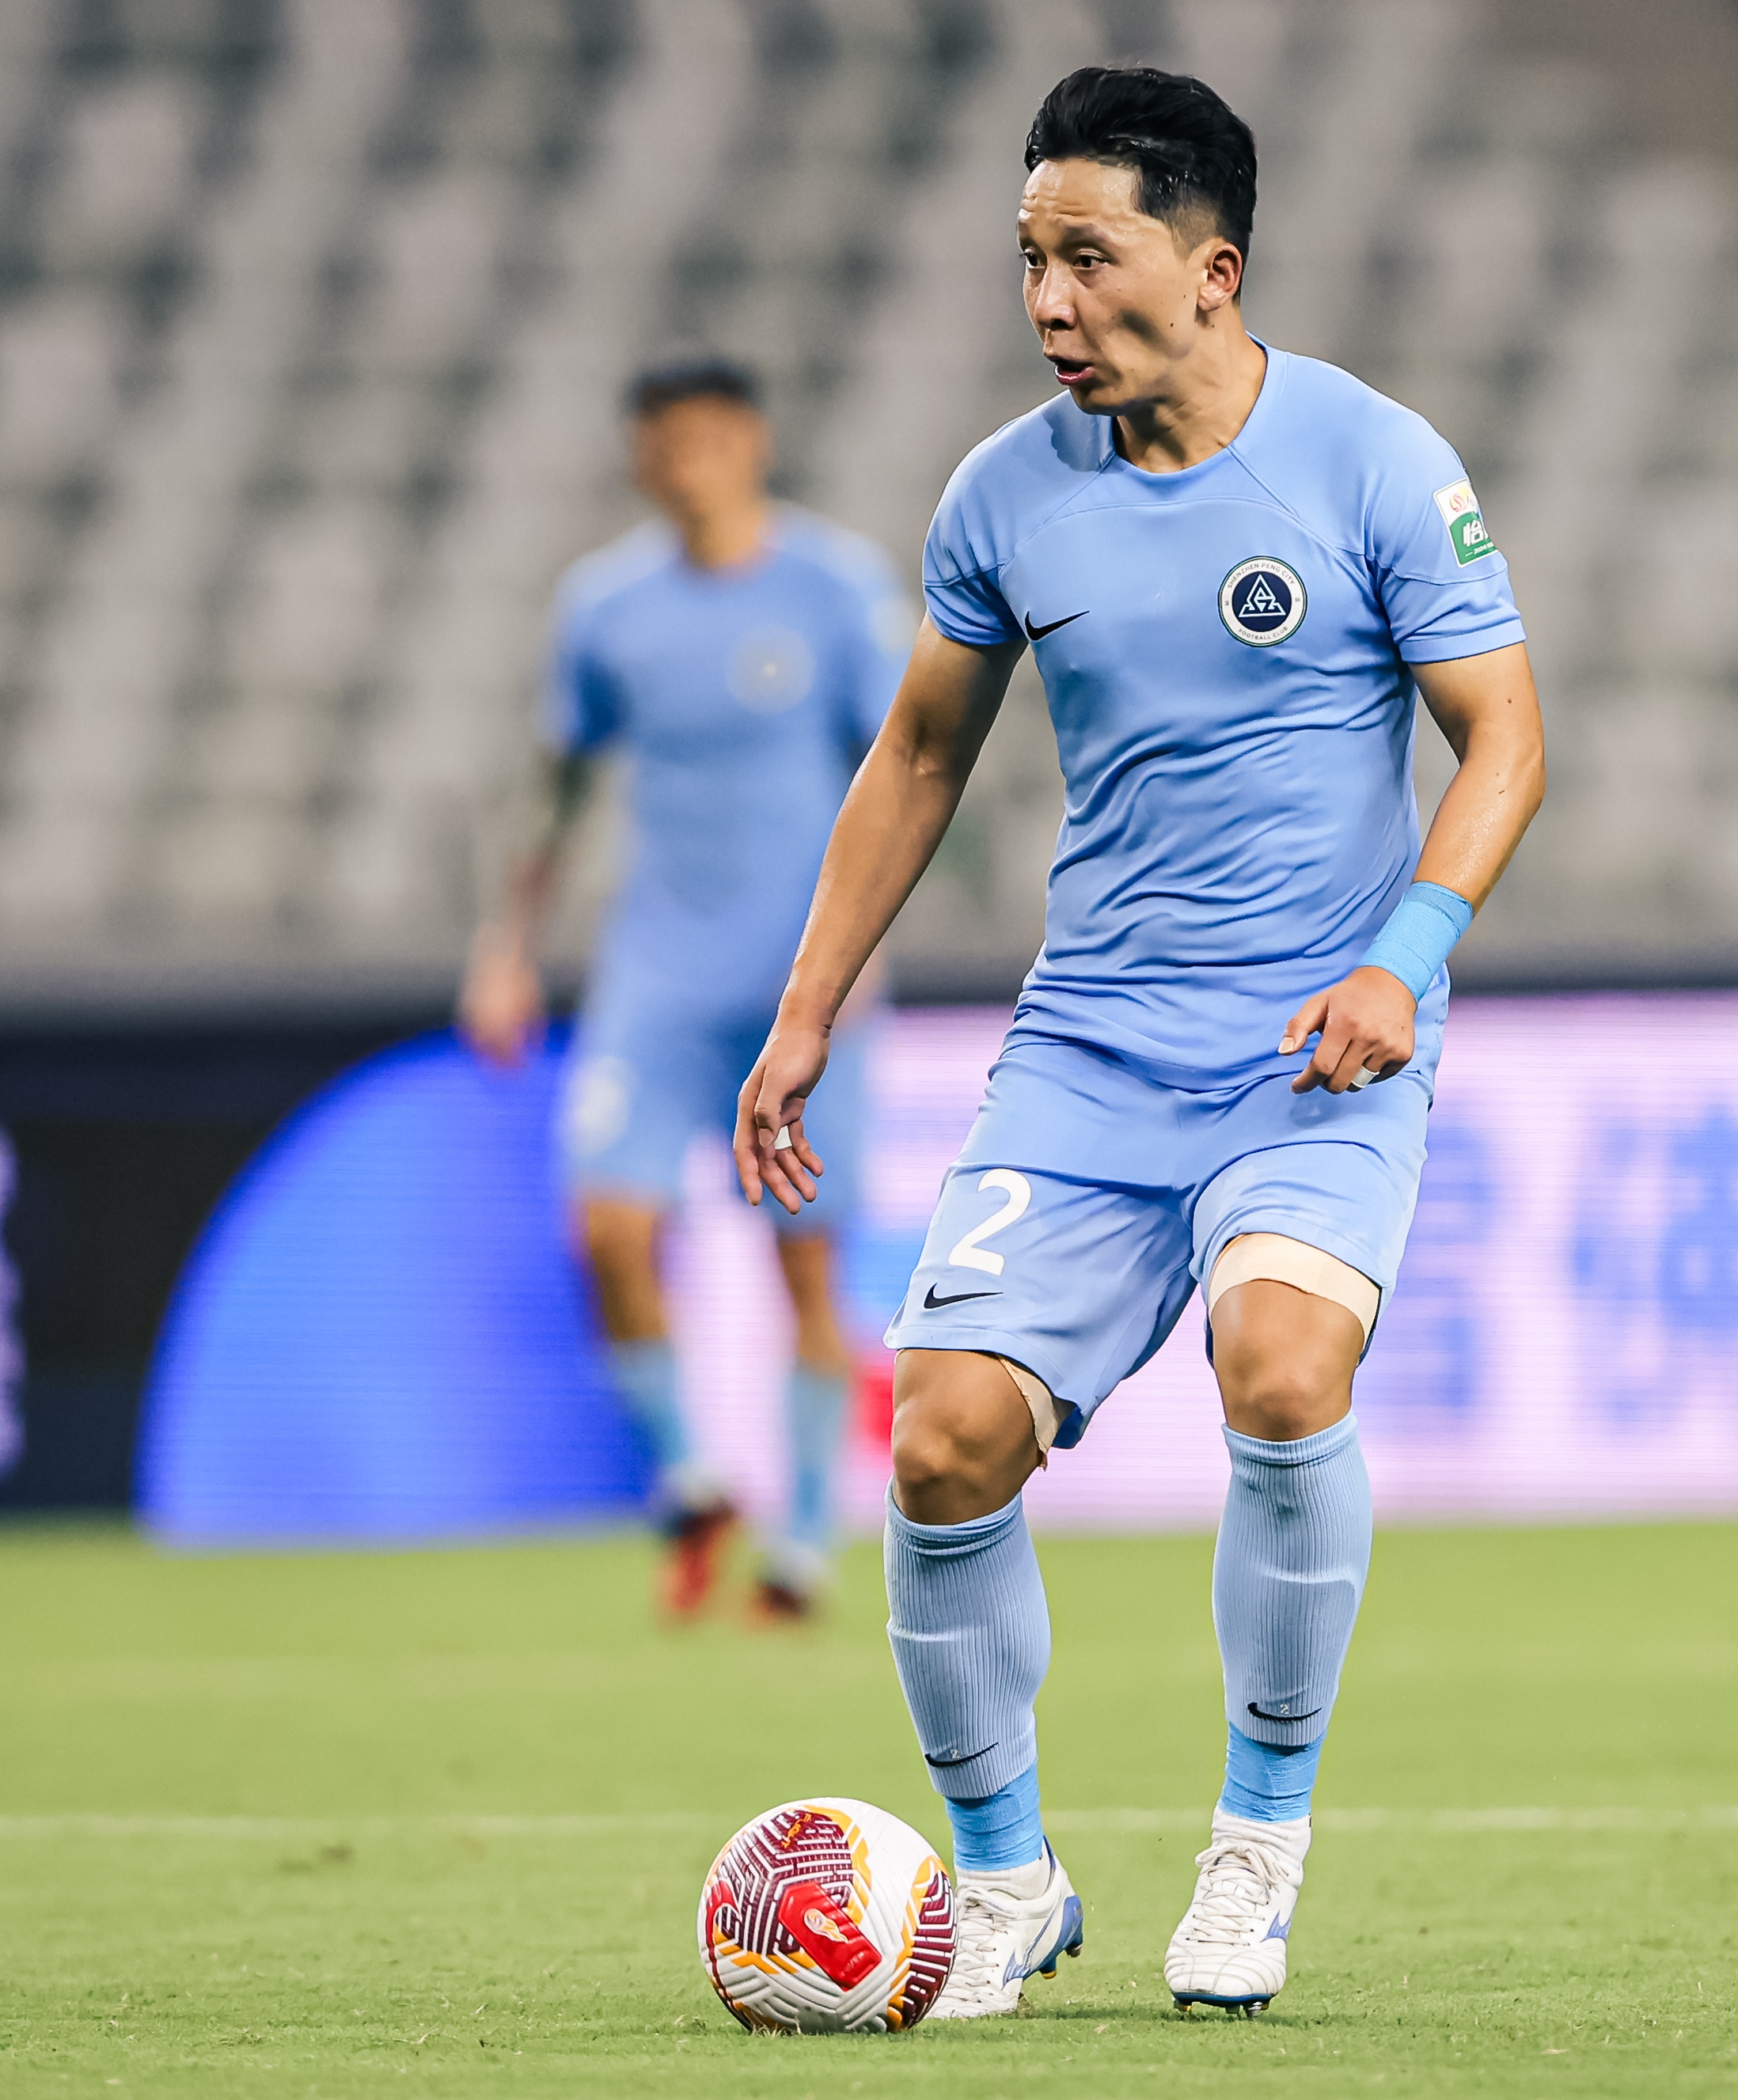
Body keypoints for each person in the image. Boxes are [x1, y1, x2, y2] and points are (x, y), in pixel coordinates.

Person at [729, 68, 1545, 2017]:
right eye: (1029, 260)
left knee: (1283, 1369)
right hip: (1089, 1054)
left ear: (1211, 268)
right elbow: (918, 752)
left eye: (1087, 258)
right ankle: (1004, 1880)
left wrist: (1405, 959)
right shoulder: (1003, 495)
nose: (1048, 302)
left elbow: (1503, 737)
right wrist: (805, 1006)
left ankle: (1255, 1848)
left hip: (1316, 1050)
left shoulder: (1369, 461)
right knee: (941, 1441)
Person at [462, 356, 907, 1623]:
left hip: (798, 981)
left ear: (752, 441)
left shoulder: (836, 589)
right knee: (606, 1229)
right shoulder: (606, 607)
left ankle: (803, 1543)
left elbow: (900, 772)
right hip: (655, 972)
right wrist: (506, 946)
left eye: (706, 436)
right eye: (662, 441)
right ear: (638, 457)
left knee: (802, 1265)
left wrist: (861, 957)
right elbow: (556, 786)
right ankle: (694, 1477)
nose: (685, 462)